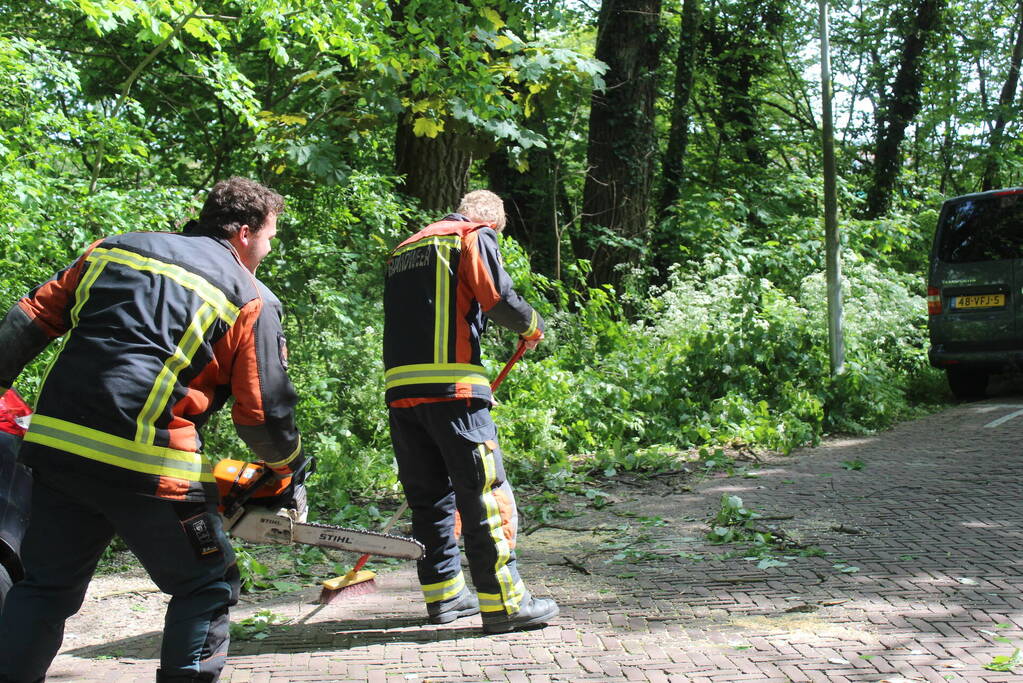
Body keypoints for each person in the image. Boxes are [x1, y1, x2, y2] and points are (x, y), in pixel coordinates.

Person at [0, 177, 306, 683]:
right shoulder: (251, 298)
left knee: (44, 587)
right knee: (206, 584)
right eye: (271, 237)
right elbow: (262, 413)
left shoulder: (113, 250)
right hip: (150, 463)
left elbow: (29, 318)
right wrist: (287, 470)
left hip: (57, 451)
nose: (270, 250)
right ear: (246, 233)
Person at [383, 189, 558, 634]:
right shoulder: (471, 236)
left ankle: (444, 596)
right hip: (454, 389)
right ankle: (505, 604)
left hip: (401, 391)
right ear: (492, 222)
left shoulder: (405, 249)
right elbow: (497, 297)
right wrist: (532, 326)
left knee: (429, 499)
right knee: (484, 494)